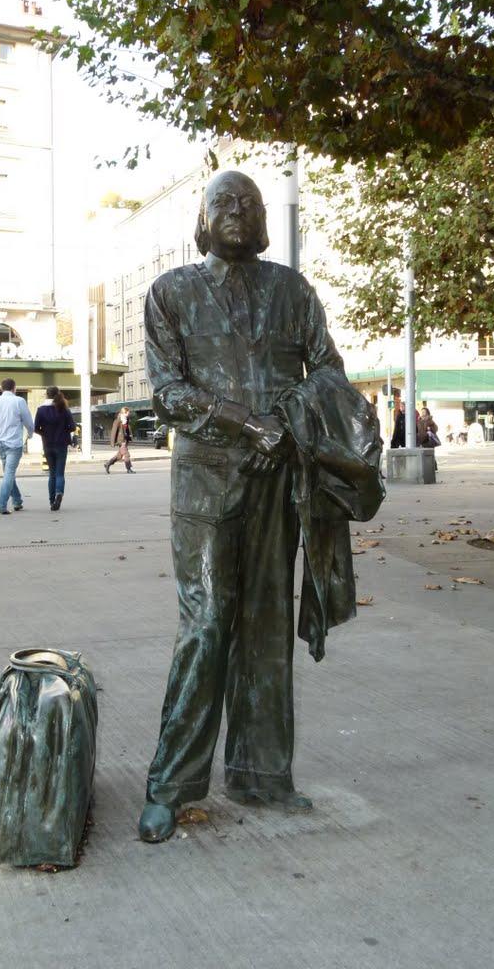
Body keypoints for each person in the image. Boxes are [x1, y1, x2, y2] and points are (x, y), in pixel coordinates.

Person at [138, 170, 384, 843]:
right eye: (224, 201)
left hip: (278, 478)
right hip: (206, 480)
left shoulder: (291, 289)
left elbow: (327, 368)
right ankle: (172, 784)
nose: (237, 210)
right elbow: (166, 391)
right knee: (208, 622)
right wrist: (249, 423)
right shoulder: (172, 292)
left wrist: (291, 417)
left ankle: (261, 773)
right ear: (202, 214)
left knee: (267, 624)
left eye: (248, 202)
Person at [0, 379, 34, 514]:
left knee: (8, 473)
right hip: (14, 443)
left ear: (2, 388)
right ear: (14, 388)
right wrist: (30, 434)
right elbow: (28, 421)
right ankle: (1, 504)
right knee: (9, 474)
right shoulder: (19, 401)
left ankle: (17, 500)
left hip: (0, 442)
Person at [34, 386, 76, 510]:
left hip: (47, 444)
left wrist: (45, 434)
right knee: (60, 473)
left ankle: (52, 501)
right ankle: (59, 493)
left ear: (46, 395)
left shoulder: (41, 410)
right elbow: (73, 427)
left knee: (51, 473)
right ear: (58, 394)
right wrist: (63, 431)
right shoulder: (64, 409)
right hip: (61, 444)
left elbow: (36, 428)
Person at [104, 406, 135, 473]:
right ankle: (129, 469)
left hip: (125, 440)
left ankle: (107, 464)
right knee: (126, 454)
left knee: (119, 456)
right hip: (121, 440)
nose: (129, 414)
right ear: (124, 412)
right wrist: (112, 442)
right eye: (128, 412)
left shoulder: (126, 420)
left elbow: (127, 430)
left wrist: (130, 436)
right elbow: (113, 431)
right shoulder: (118, 420)